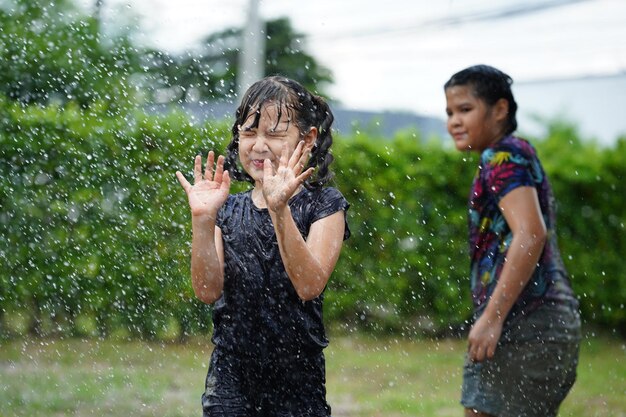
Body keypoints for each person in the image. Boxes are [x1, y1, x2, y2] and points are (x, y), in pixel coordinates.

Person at [176, 75, 350, 417]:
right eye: (249, 132)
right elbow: (207, 290)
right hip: (231, 375)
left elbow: (309, 284)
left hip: (298, 378)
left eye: (274, 133)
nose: (258, 145)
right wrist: (203, 219)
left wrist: (279, 209)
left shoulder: (324, 205)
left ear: (308, 138)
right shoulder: (228, 208)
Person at [443, 65, 582, 417]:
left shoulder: (502, 156)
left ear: (500, 109)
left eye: (465, 109)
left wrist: (492, 317)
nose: (454, 121)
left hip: (526, 325)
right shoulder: (517, 153)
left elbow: (531, 233)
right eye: (449, 112)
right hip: (545, 325)